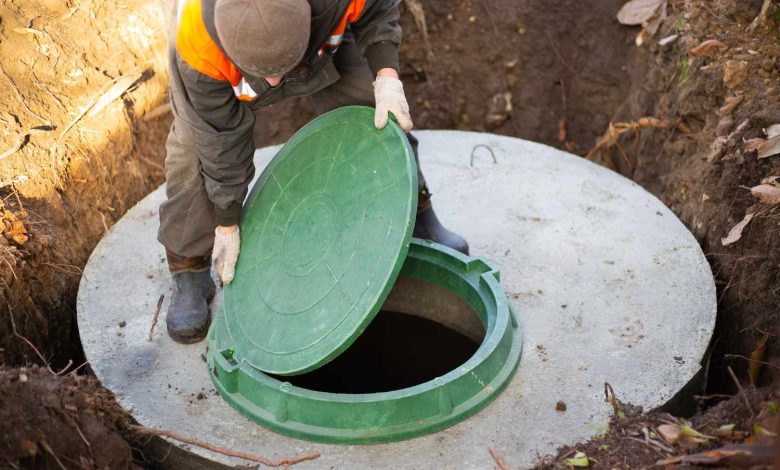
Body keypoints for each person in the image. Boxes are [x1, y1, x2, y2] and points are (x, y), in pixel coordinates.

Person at [160, 0, 469, 343]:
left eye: (281, 69)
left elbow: (378, 10)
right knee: (194, 157)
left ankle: (415, 211)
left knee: (371, 112)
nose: (276, 82)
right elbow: (221, 144)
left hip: (318, 42)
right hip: (219, 65)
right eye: (268, 74)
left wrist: (386, 75)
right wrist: (227, 220)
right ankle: (189, 266)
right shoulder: (197, 45)